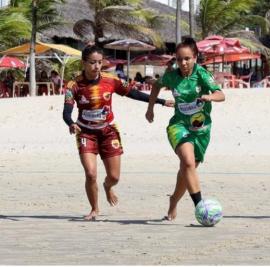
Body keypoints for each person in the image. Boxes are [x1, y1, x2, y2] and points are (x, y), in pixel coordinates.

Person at [62, 45, 174, 220]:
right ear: (84, 63)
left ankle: (107, 187)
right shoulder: (73, 85)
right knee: (91, 174)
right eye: (92, 63)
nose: (96, 66)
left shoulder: (111, 80)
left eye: (99, 62)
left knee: (114, 177)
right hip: (85, 132)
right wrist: (70, 123)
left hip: (108, 131)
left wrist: (160, 101)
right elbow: (66, 110)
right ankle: (94, 209)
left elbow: (134, 93)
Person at [145, 37, 225, 221]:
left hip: (201, 130)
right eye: (179, 59)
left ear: (195, 58)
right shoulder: (172, 76)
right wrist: (150, 108)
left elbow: (221, 95)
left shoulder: (202, 74)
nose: (183, 63)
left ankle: (174, 200)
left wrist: (209, 97)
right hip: (178, 126)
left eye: (187, 58)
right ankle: (201, 207)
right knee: (188, 162)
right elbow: (156, 86)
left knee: (187, 169)